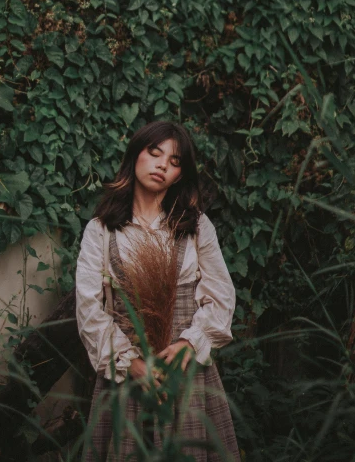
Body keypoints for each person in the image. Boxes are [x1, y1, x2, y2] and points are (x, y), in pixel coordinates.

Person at [76, 120, 240, 461]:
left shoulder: (195, 226)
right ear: (135, 155)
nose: (163, 164)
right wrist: (132, 364)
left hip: (187, 374)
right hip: (126, 377)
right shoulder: (101, 230)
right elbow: (89, 309)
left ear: (180, 175)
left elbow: (221, 295)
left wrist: (188, 343)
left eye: (175, 161)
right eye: (154, 153)